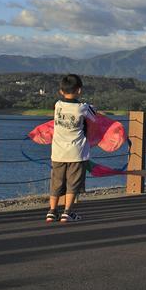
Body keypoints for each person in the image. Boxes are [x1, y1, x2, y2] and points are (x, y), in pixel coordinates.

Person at [47, 74, 96, 223]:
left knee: (56, 181)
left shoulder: (57, 105)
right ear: (79, 90)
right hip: (76, 153)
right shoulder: (82, 108)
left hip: (58, 152)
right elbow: (94, 118)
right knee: (73, 183)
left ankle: (52, 211)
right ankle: (67, 212)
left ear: (61, 91)